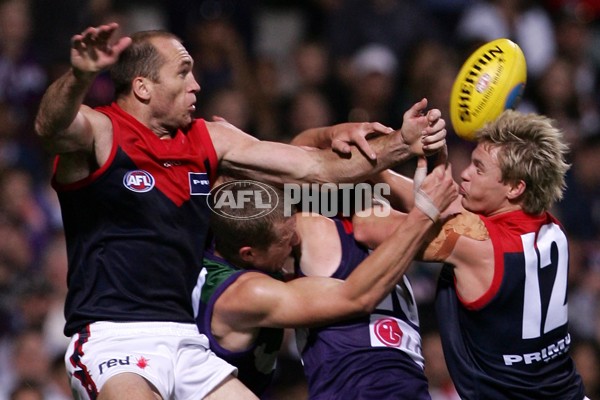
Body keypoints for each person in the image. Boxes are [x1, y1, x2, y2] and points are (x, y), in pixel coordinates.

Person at [33, 22, 447, 399]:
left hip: (184, 339)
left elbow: (316, 169)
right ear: (143, 87)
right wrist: (80, 77)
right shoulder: (104, 133)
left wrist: (400, 142)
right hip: (116, 338)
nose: (196, 84)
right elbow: (52, 127)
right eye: (182, 72)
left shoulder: (207, 140)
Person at [355, 110, 588, 399]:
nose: (464, 173)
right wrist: (381, 168)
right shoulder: (552, 228)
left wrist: (375, 155)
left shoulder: (476, 245)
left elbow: (367, 226)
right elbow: (449, 208)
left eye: (479, 169)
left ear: (516, 188)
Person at [196, 166, 457, 397]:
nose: (295, 239)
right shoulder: (244, 293)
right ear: (249, 253)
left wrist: (375, 158)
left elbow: (306, 154)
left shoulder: (244, 222)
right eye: (285, 240)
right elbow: (357, 297)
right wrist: (423, 214)